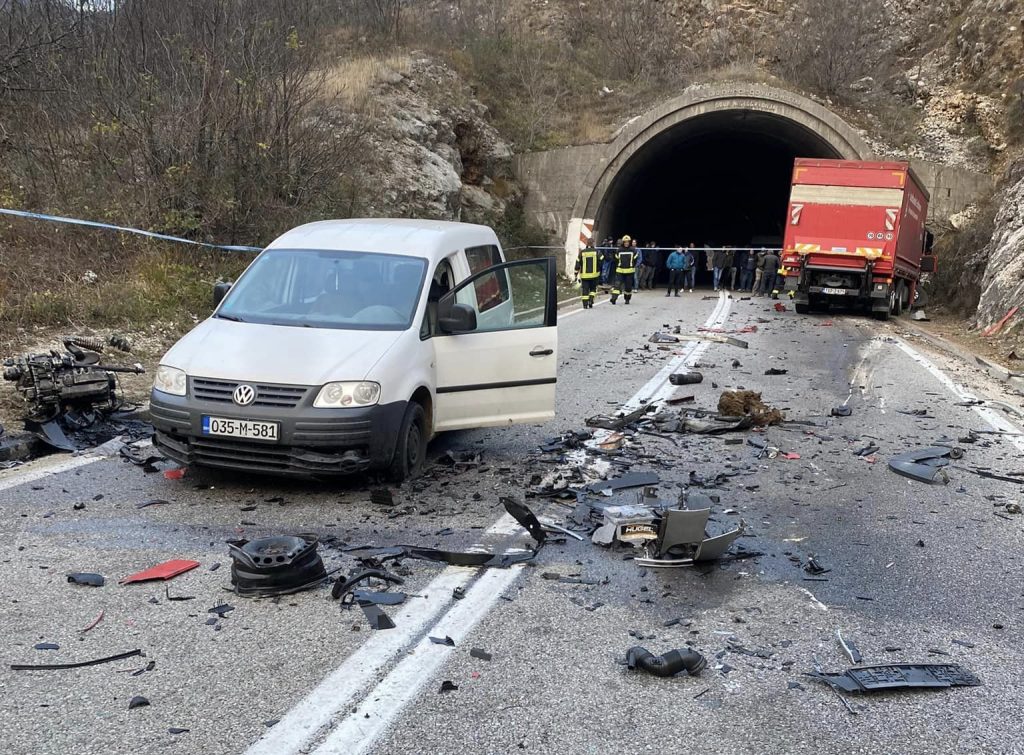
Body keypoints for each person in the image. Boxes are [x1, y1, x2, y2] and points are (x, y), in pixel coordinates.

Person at [610, 238, 638, 305]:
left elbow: (635, 260)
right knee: (617, 286)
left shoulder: (633, 250)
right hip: (620, 271)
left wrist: (632, 266)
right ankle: (614, 298)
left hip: (629, 271)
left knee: (628, 287)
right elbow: (616, 259)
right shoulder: (619, 250)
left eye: (627, 242)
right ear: (623, 242)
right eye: (625, 242)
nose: (626, 243)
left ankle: (627, 299)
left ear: (629, 242)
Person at [574, 242, 601, 309]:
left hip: (584, 276)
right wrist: (599, 268)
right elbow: (602, 259)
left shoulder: (582, 252)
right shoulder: (597, 252)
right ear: (593, 244)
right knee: (593, 289)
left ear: (587, 244)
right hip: (594, 275)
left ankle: (585, 305)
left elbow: (577, 264)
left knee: (585, 290)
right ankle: (591, 300)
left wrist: (576, 274)